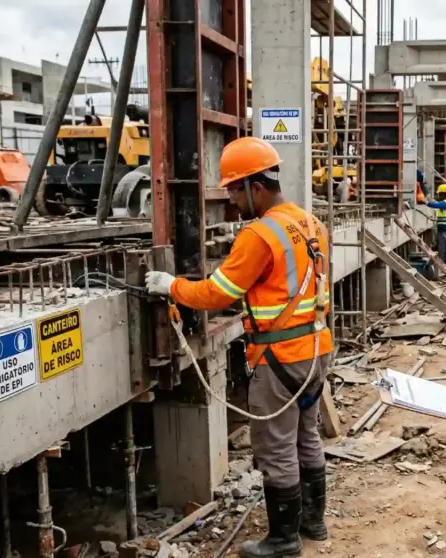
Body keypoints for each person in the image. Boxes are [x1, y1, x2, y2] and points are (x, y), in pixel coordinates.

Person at [145, 137, 332, 558]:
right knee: (306, 435)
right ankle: (313, 524)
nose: (230, 199)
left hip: (280, 358)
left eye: (232, 189)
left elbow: (218, 293)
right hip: (316, 350)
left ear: (255, 186)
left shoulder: (260, 235)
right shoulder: (309, 222)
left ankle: (284, 540)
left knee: (275, 446)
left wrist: (171, 286)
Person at [428, 184, 446, 268]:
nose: (438, 196)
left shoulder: (445, 203)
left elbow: (436, 205)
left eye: (439, 194)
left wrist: (426, 202)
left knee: (445, 249)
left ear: (442, 194)